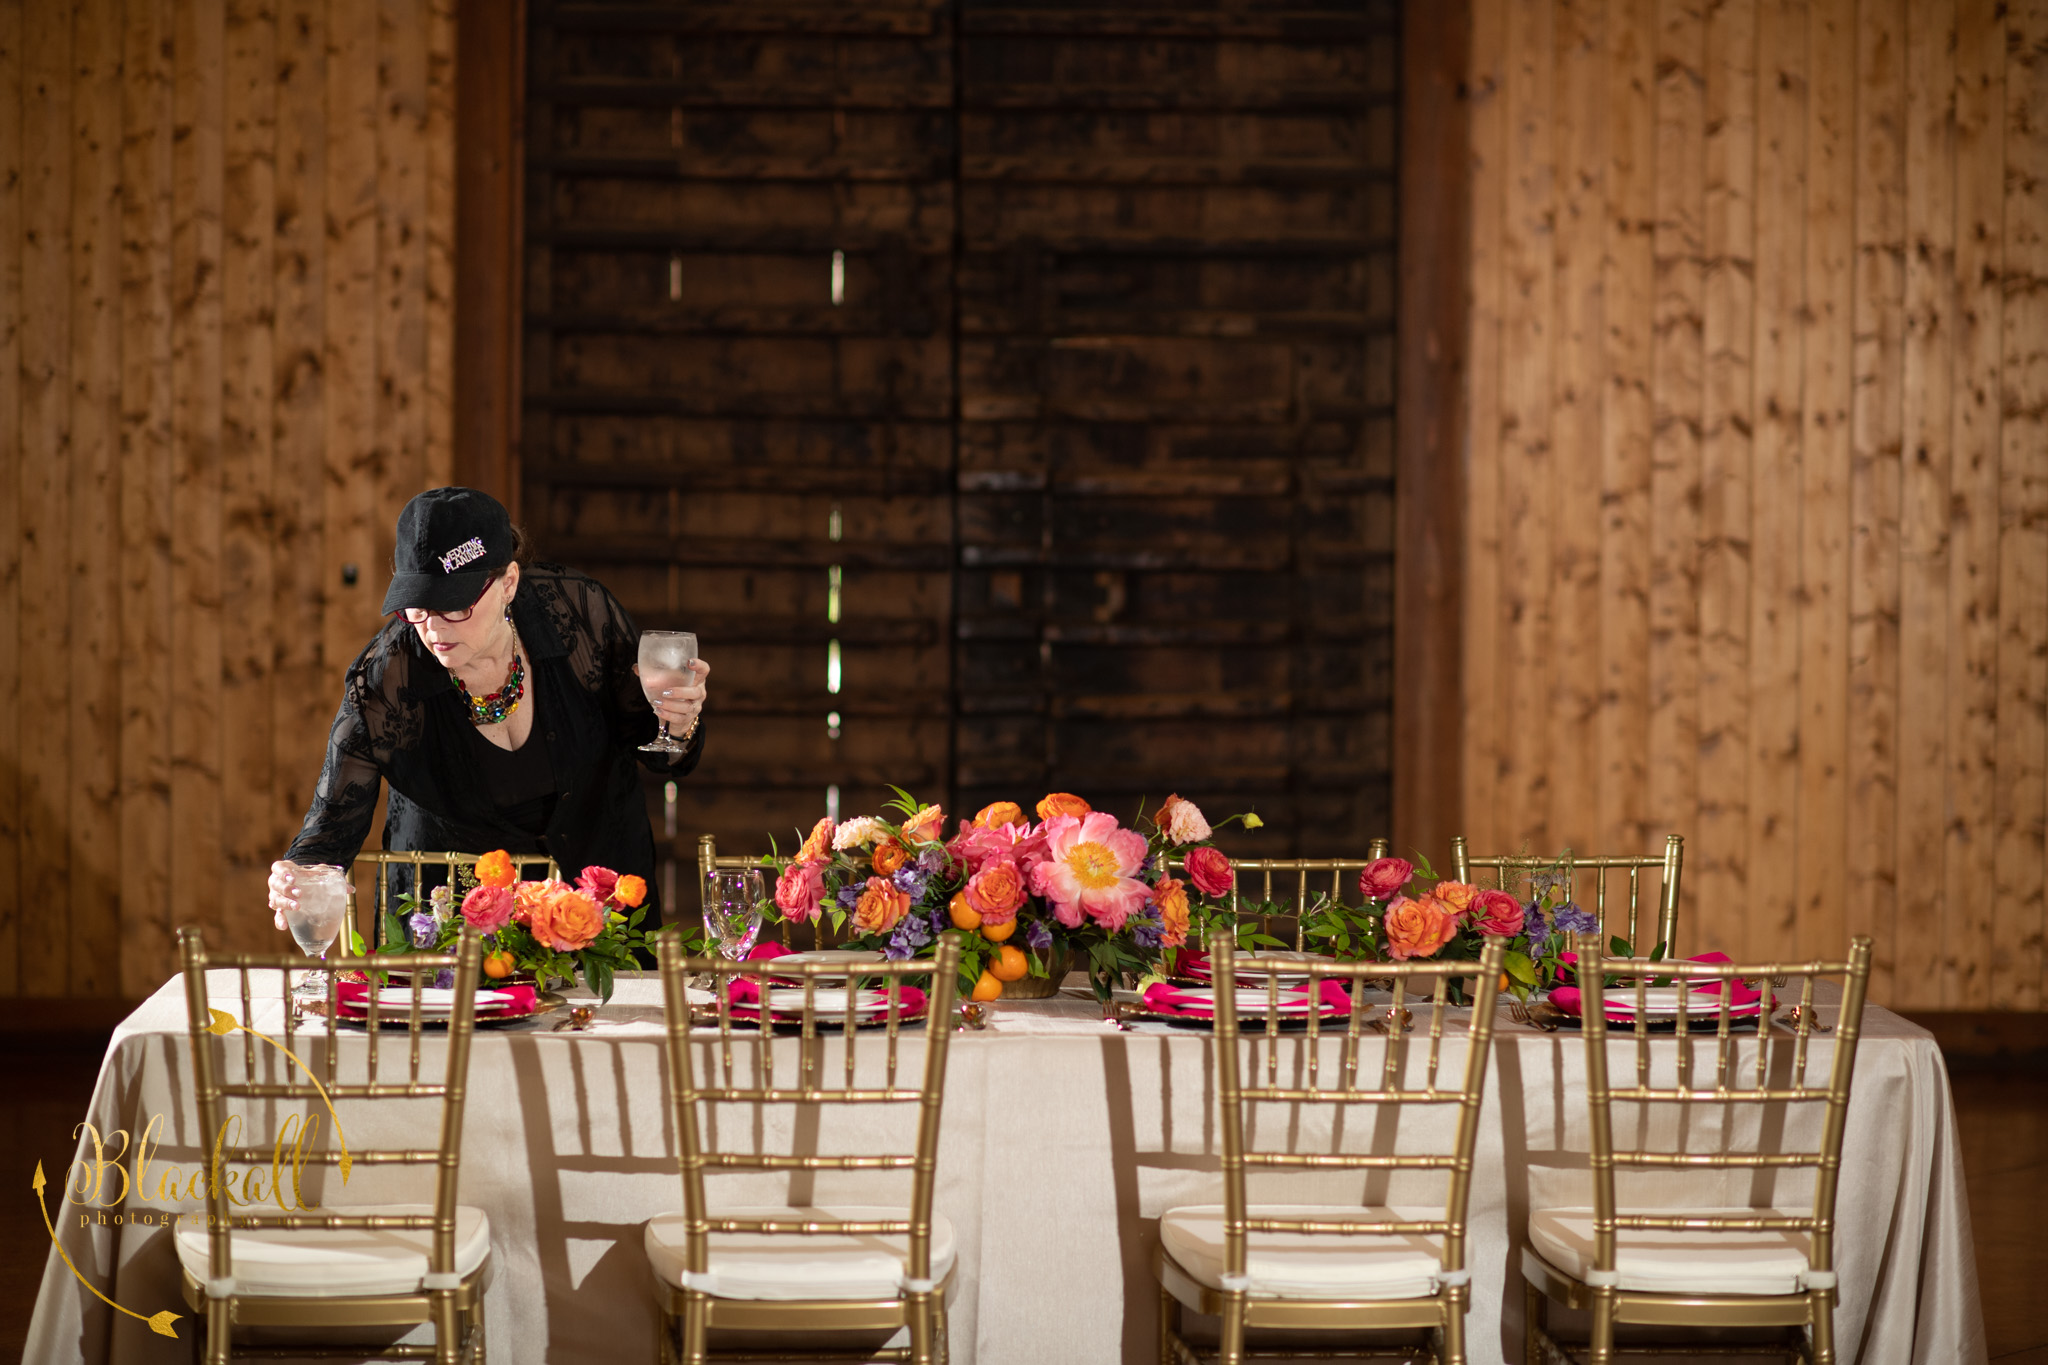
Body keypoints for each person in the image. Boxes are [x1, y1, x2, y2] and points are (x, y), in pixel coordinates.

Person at [268, 486, 707, 933]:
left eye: (455, 605)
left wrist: (680, 724)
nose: (434, 628)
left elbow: (661, 754)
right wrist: (297, 877)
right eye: (417, 608)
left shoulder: (580, 617)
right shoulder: (385, 680)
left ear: (508, 583)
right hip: (455, 929)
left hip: (596, 915)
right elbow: (329, 831)